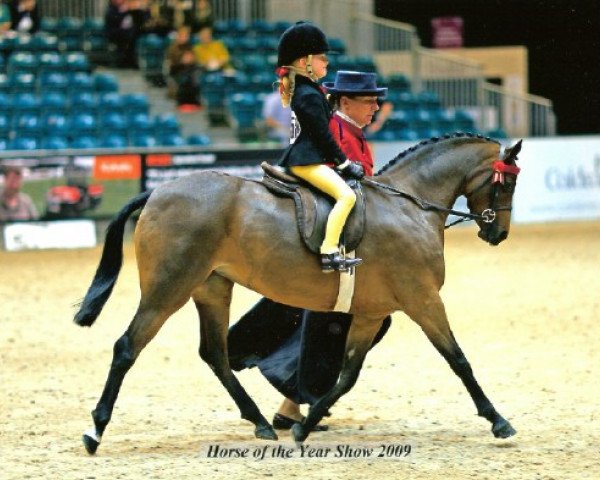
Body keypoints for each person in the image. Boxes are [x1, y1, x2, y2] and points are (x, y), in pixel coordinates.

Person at [228, 69, 391, 430]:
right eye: (369, 101)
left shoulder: (357, 135)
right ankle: (309, 395)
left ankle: (293, 404)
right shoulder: (333, 131)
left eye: (376, 100)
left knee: (347, 324)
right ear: (345, 101)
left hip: (346, 247)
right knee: (338, 323)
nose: (376, 106)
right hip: (328, 249)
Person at [275, 21, 364, 272]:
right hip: (306, 160)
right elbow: (323, 137)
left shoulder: (308, 91)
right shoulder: (308, 95)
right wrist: (345, 164)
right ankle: (329, 251)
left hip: (306, 158)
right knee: (346, 196)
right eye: (322, 59)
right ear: (305, 63)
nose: (327, 63)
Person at [104, 0, 150, 68]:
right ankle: (128, 60)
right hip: (115, 32)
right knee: (130, 35)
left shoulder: (128, 8)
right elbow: (114, 22)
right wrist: (123, 11)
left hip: (128, 31)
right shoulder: (111, 10)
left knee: (135, 33)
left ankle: (133, 59)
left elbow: (142, 17)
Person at [165, 25, 201, 110]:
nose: (184, 38)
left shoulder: (190, 46)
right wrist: (181, 61)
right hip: (176, 69)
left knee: (194, 76)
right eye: (182, 35)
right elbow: (170, 63)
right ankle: (182, 101)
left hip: (190, 69)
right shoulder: (172, 48)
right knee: (185, 77)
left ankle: (194, 101)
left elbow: (194, 59)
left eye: (186, 36)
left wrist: (191, 59)